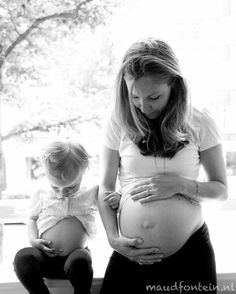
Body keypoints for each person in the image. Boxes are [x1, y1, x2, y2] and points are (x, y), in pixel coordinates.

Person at [98, 38, 228, 294]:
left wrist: (180, 185)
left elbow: (221, 190)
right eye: (134, 97)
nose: (144, 107)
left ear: (174, 85)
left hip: (190, 255)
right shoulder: (116, 120)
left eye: (154, 96)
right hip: (131, 254)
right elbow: (104, 187)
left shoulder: (200, 120)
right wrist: (113, 239)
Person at [14, 138, 98, 294]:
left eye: (71, 186)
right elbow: (32, 219)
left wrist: (116, 199)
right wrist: (33, 240)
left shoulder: (92, 192)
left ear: (83, 171)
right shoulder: (41, 193)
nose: (62, 192)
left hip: (74, 258)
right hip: (44, 257)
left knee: (81, 262)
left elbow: (108, 208)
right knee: (22, 258)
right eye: (55, 186)